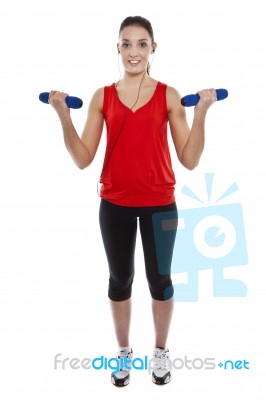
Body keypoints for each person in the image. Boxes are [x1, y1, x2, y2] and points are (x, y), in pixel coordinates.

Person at [48, 16, 217, 386]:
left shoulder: (169, 96)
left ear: (153, 48)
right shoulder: (102, 97)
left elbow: (189, 159)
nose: (134, 51)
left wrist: (200, 112)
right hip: (115, 205)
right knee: (120, 279)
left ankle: (160, 353)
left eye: (142, 44)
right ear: (118, 48)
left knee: (161, 280)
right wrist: (63, 115)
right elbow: (82, 159)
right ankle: (124, 353)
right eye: (127, 44)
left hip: (160, 203)